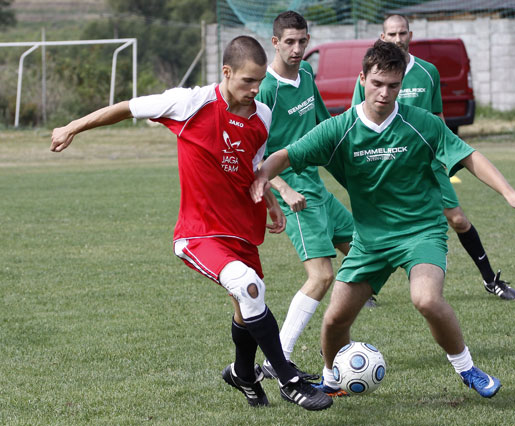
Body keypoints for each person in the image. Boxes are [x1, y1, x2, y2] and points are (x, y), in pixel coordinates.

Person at [49, 36, 332, 411]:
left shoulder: (262, 116)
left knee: (245, 304)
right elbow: (127, 108)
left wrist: (271, 202)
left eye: (260, 81)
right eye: (247, 80)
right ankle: (287, 377)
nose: (255, 89)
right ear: (226, 73)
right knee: (249, 288)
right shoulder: (190, 103)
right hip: (199, 233)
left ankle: (242, 374)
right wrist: (72, 126)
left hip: (241, 231)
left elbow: (253, 166)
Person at [251, 40, 515, 398]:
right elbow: (286, 155)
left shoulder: (421, 124)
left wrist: (508, 192)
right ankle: (332, 378)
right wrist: (263, 176)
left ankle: (468, 369)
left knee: (426, 299)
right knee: (335, 320)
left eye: (393, 85)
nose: (384, 93)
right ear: (362, 78)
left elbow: (468, 156)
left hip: (421, 232)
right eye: (377, 83)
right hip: (370, 240)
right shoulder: (339, 130)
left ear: (401, 84)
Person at [352, 14, 515, 301]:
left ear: (410, 35)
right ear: (382, 38)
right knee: (374, 222)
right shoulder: (371, 77)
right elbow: (358, 119)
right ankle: (361, 287)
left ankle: (491, 280)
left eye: (402, 33)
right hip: (385, 163)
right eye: (391, 34)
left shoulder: (428, 72)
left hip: (426, 163)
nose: (397, 39)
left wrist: (445, 156)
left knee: (457, 219)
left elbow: (439, 119)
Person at [255, 11, 355, 382]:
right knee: (321, 275)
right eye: (290, 42)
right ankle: (278, 359)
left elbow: (321, 124)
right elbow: (255, 154)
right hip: (295, 191)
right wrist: (282, 188)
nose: (297, 49)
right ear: (275, 43)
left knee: (369, 249)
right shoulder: (265, 89)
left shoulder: (307, 74)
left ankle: (336, 339)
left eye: (303, 41)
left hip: (317, 185)